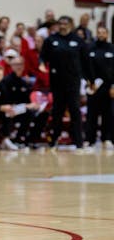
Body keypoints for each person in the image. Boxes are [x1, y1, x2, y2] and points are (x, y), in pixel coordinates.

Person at [39, 15, 84, 151]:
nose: (63, 26)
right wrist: (41, 64)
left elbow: (85, 61)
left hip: (73, 82)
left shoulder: (78, 40)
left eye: (66, 23)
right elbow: (43, 56)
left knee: (75, 111)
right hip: (57, 82)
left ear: (71, 25)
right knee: (57, 112)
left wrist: (89, 79)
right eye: (61, 23)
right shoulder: (51, 40)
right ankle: (54, 140)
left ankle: (78, 142)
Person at [83, 25, 114, 149]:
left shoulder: (112, 49)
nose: (101, 34)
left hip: (107, 87)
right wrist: (89, 82)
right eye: (99, 32)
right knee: (92, 114)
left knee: (108, 114)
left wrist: (113, 86)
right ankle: (90, 139)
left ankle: (107, 138)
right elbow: (85, 67)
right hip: (93, 87)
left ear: (107, 34)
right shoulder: (90, 48)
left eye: (103, 32)